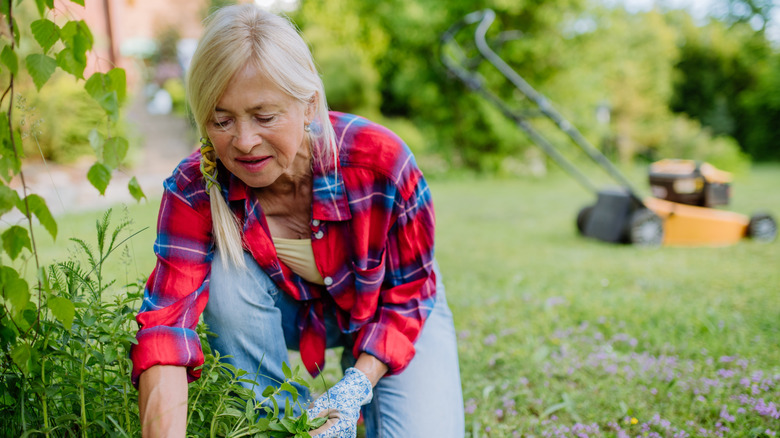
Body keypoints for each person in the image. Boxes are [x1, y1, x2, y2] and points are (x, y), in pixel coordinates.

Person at [131, 4, 464, 437]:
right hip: (284, 314)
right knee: (227, 280)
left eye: (264, 116)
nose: (245, 142)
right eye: (221, 119)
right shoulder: (196, 187)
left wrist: (356, 385)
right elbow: (166, 328)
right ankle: (280, 425)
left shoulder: (380, 164)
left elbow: (408, 296)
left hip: (391, 309)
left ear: (308, 105)